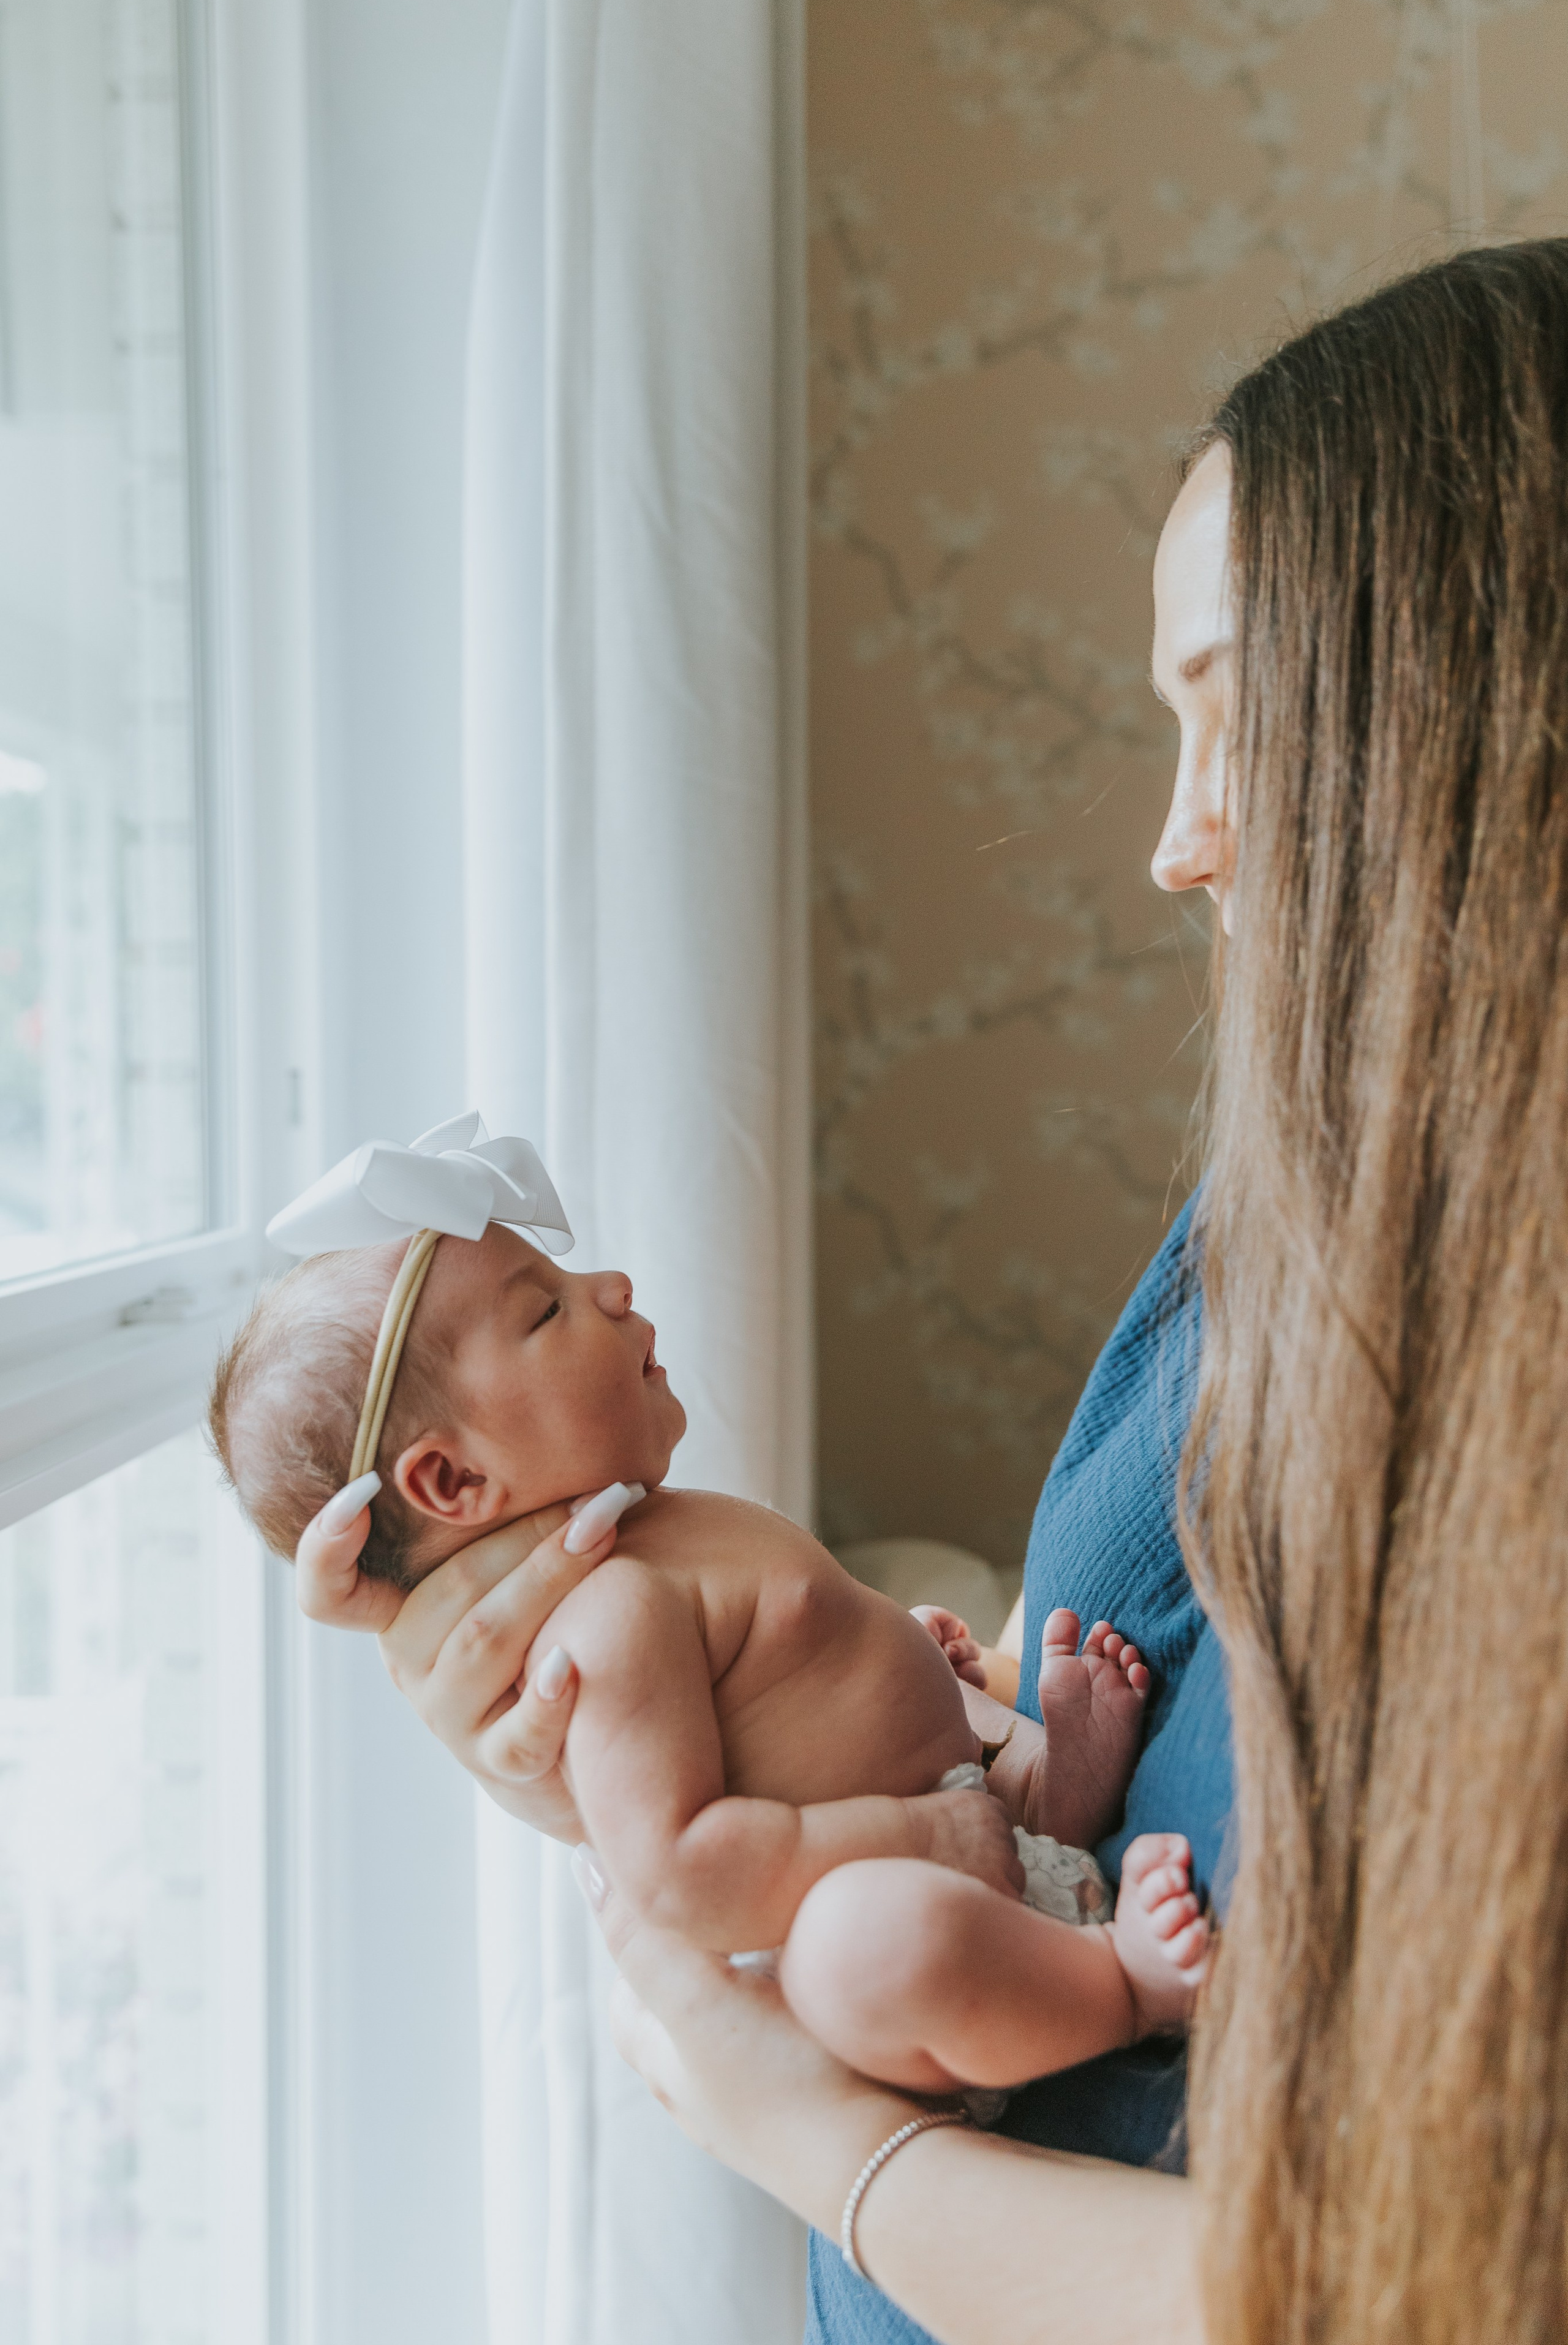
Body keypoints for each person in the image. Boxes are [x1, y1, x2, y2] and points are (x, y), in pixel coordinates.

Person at [293, 240, 1568, 2344]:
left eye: (1239, 714)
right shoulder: (1274, 1224)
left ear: (1499, 721)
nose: (1178, 844)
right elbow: (1073, 1784)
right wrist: (627, 1749)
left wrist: (821, 2141)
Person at [213, 1204, 1208, 2088]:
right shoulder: (604, 1623)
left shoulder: (652, 1530)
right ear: (457, 1483)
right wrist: (925, 1837)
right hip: (906, 1933)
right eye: (546, 1309)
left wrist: (895, 1663)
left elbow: (777, 1687)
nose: (611, 1285)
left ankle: (1052, 1793)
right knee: (862, 1942)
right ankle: (1122, 1987)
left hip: (964, 1823)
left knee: (941, 1689)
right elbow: (681, 1874)